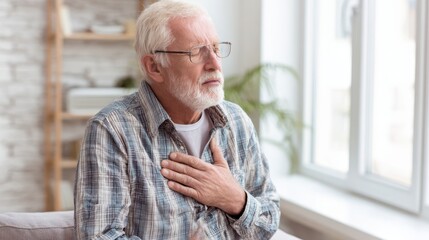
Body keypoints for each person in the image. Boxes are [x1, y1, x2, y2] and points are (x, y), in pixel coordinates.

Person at [74, 0, 280, 239]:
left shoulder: (237, 121)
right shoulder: (111, 131)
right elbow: (98, 236)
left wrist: (234, 198)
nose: (214, 64)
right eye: (196, 51)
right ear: (154, 67)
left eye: (215, 48)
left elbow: (269, 220)